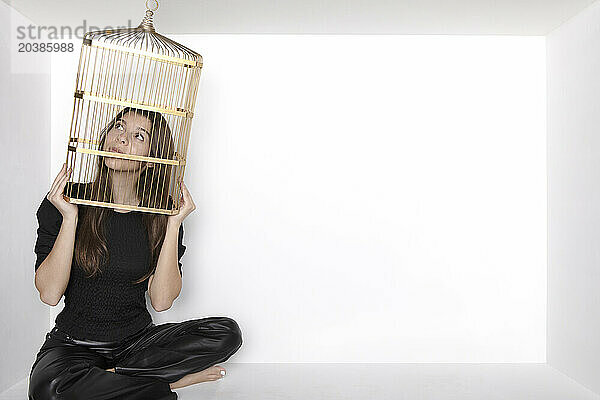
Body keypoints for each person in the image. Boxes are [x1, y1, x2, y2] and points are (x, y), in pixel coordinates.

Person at [28, 107, 243, 400]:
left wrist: (174, 223)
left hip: (137, 344)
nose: (122, 138)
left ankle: (113, 380)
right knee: (50, 391)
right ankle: (165, 383)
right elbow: (50, 294)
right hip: (72, 345)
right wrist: (70, 218)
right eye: (119, 127)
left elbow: (162, 300)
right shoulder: (66, 201)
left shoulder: (160, 215)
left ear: (153, 160)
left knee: (226, 333)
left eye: (138, 135)